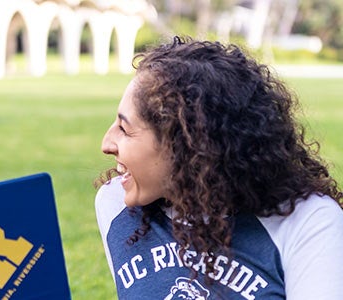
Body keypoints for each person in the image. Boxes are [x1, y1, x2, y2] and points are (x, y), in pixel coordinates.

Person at [95, 36, 343, 299]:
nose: (107, 143)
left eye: (124, 129)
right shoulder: (116, 206)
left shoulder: (309, 222)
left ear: (185, 145)